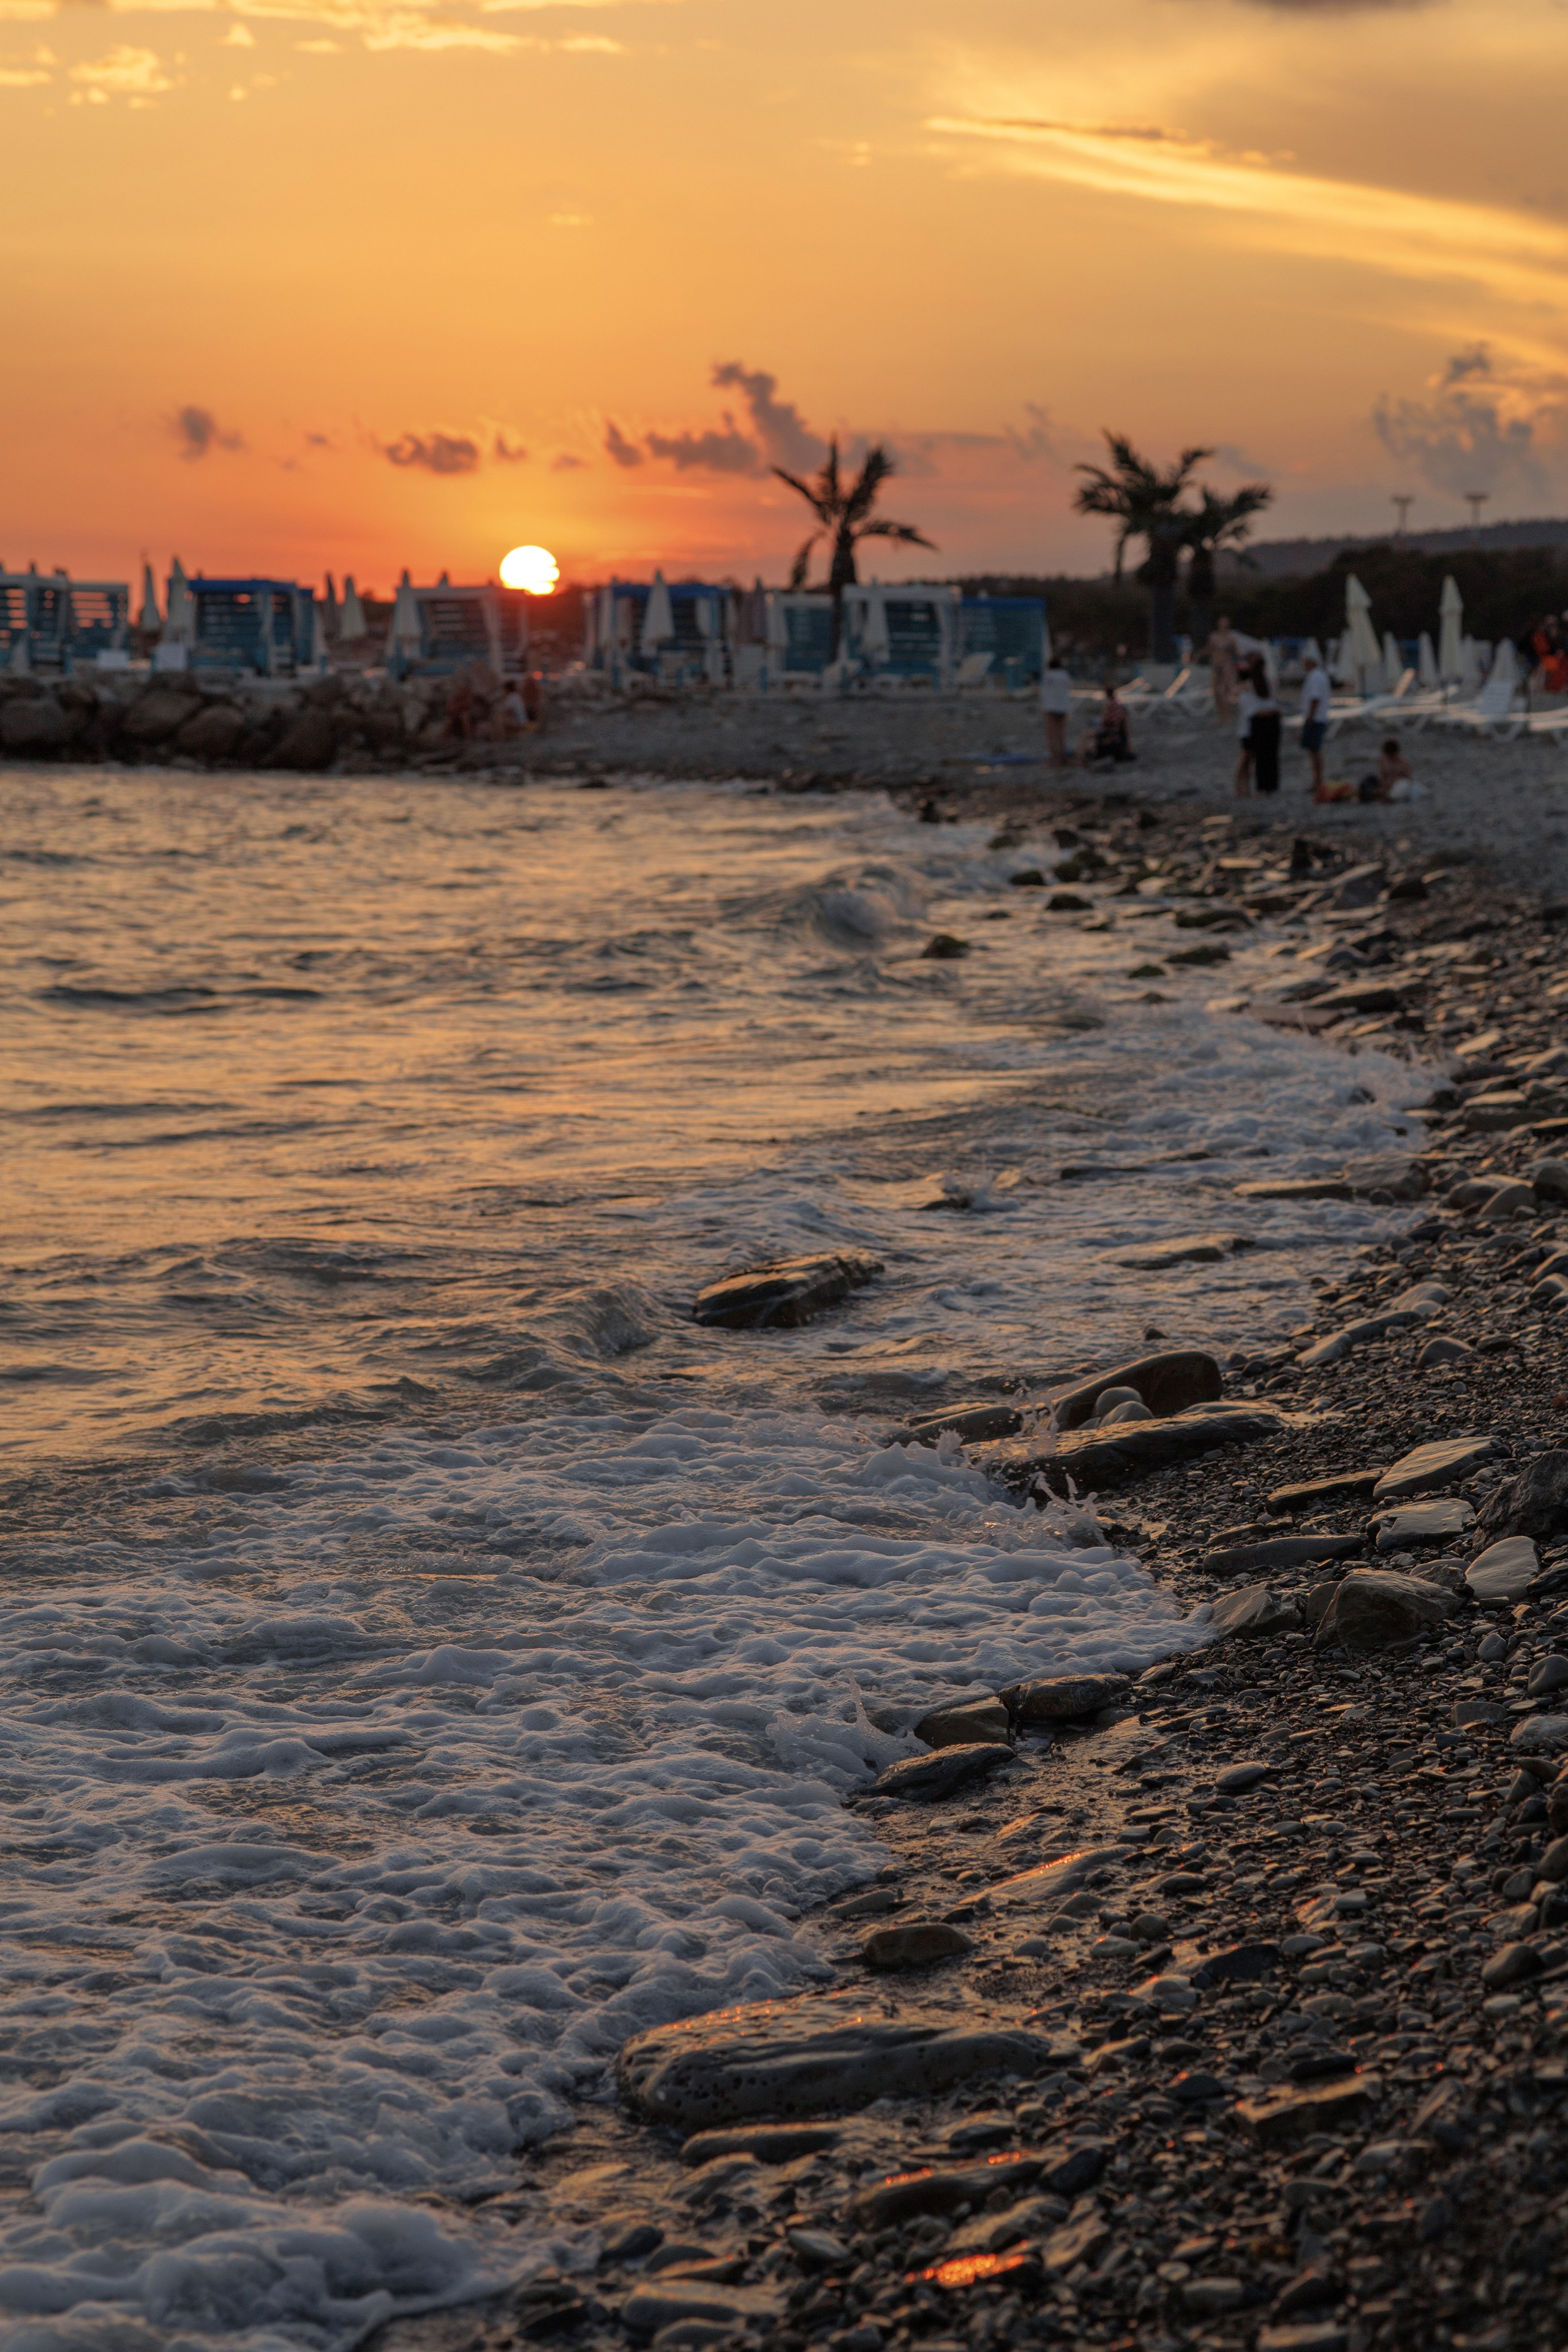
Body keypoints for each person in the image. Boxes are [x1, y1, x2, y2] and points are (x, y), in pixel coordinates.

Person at [1235, 654, 1280, 797]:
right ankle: (1241, 788)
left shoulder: (1262, 683)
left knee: (1254, 759)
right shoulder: (1250, 685)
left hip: (1261, 724)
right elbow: (1251, 709)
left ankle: (1247, 788)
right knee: (1248, 758)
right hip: (1252, 726)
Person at [1299, 650, 1332, 796]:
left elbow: (1315, 698)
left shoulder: (1315, 677)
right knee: (1314, 750)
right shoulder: (1318, 676)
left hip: (1316, 718)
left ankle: (1318, 781)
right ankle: (1317, 780)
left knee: (1315, 750)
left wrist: (1310, 717)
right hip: (1318, 717)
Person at [1079, 687, 1134, 769]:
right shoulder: (1117, 706)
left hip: (1110, 736)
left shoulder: (1114, 707)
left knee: (1086, 735)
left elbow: (1115, 726)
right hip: (1111, 736)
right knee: (1089, 737)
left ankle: (1079, 760)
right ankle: (1081, 759)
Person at [1039, 647, 1073, 769]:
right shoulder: (1064, 675)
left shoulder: (1048, 676)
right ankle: (1062, 758)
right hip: (1063, 708)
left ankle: (1054, 759)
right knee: (1061, 735)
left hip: (1051, 708)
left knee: (1051, 735)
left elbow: (1044, 693)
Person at [1205, 614, 1241, 726]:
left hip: (1227, 665)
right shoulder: (1214, 636)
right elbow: (1209, 648)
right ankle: (1222, 715)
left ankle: (1227, 716)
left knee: (1226, 692)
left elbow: (1237, 651)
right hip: (1216, 665)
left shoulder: (1231, 638)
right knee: (1216, 691)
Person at [1358, 736, 1415, 802]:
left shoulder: (1404, 763)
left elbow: (1408, 779)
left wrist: (1389, 787)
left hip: (1397, 787)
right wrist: (1381, 788)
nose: (1390, 758)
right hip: (1384, 786)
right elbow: (1382, 776)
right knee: (1369, 779)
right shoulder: (1383, 760)